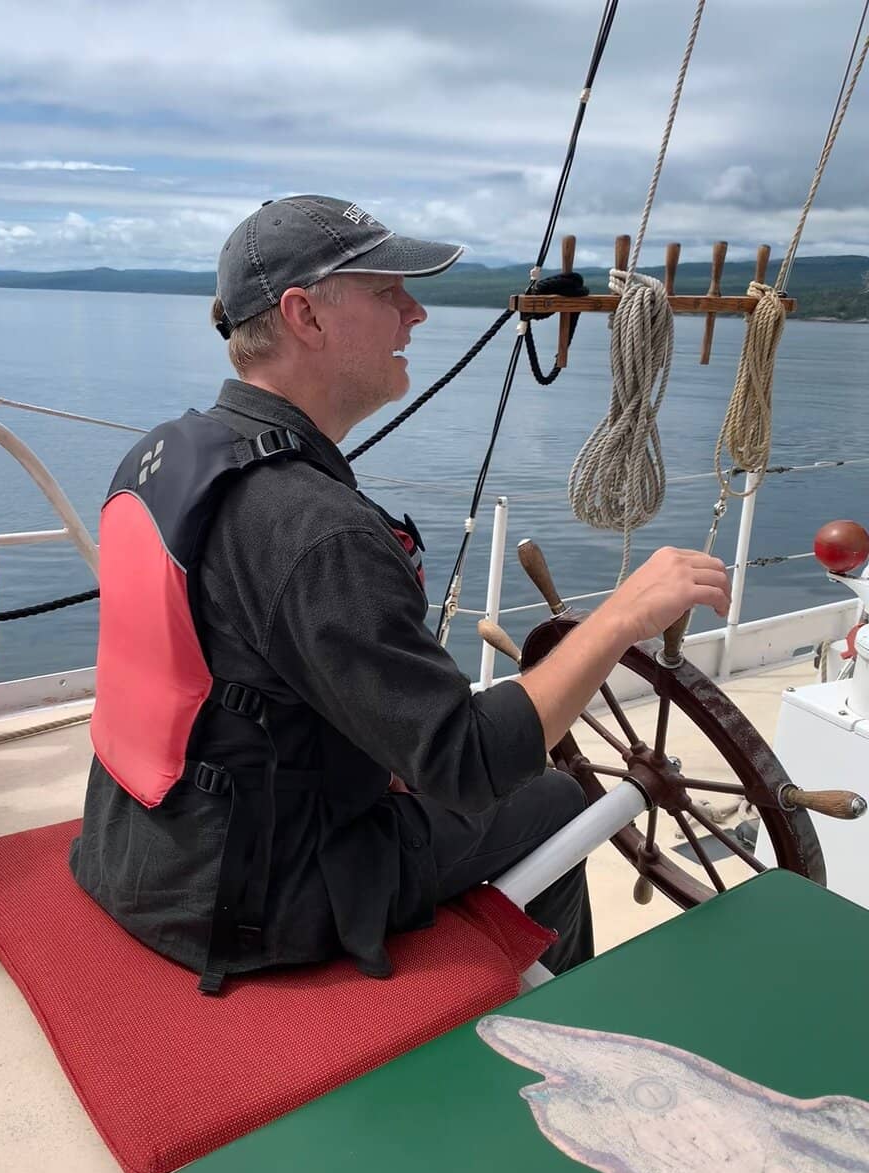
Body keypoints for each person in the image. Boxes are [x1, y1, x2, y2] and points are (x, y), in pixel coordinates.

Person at [71, 194, 731, 993]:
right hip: (248, 900)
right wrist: (624, 613)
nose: (416, 313)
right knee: (555, 799)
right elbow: (468, 763)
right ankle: (560, 1026)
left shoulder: (169, 455)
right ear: (304, 315)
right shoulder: (319, 530)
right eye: (389, 292)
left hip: (134, 850)